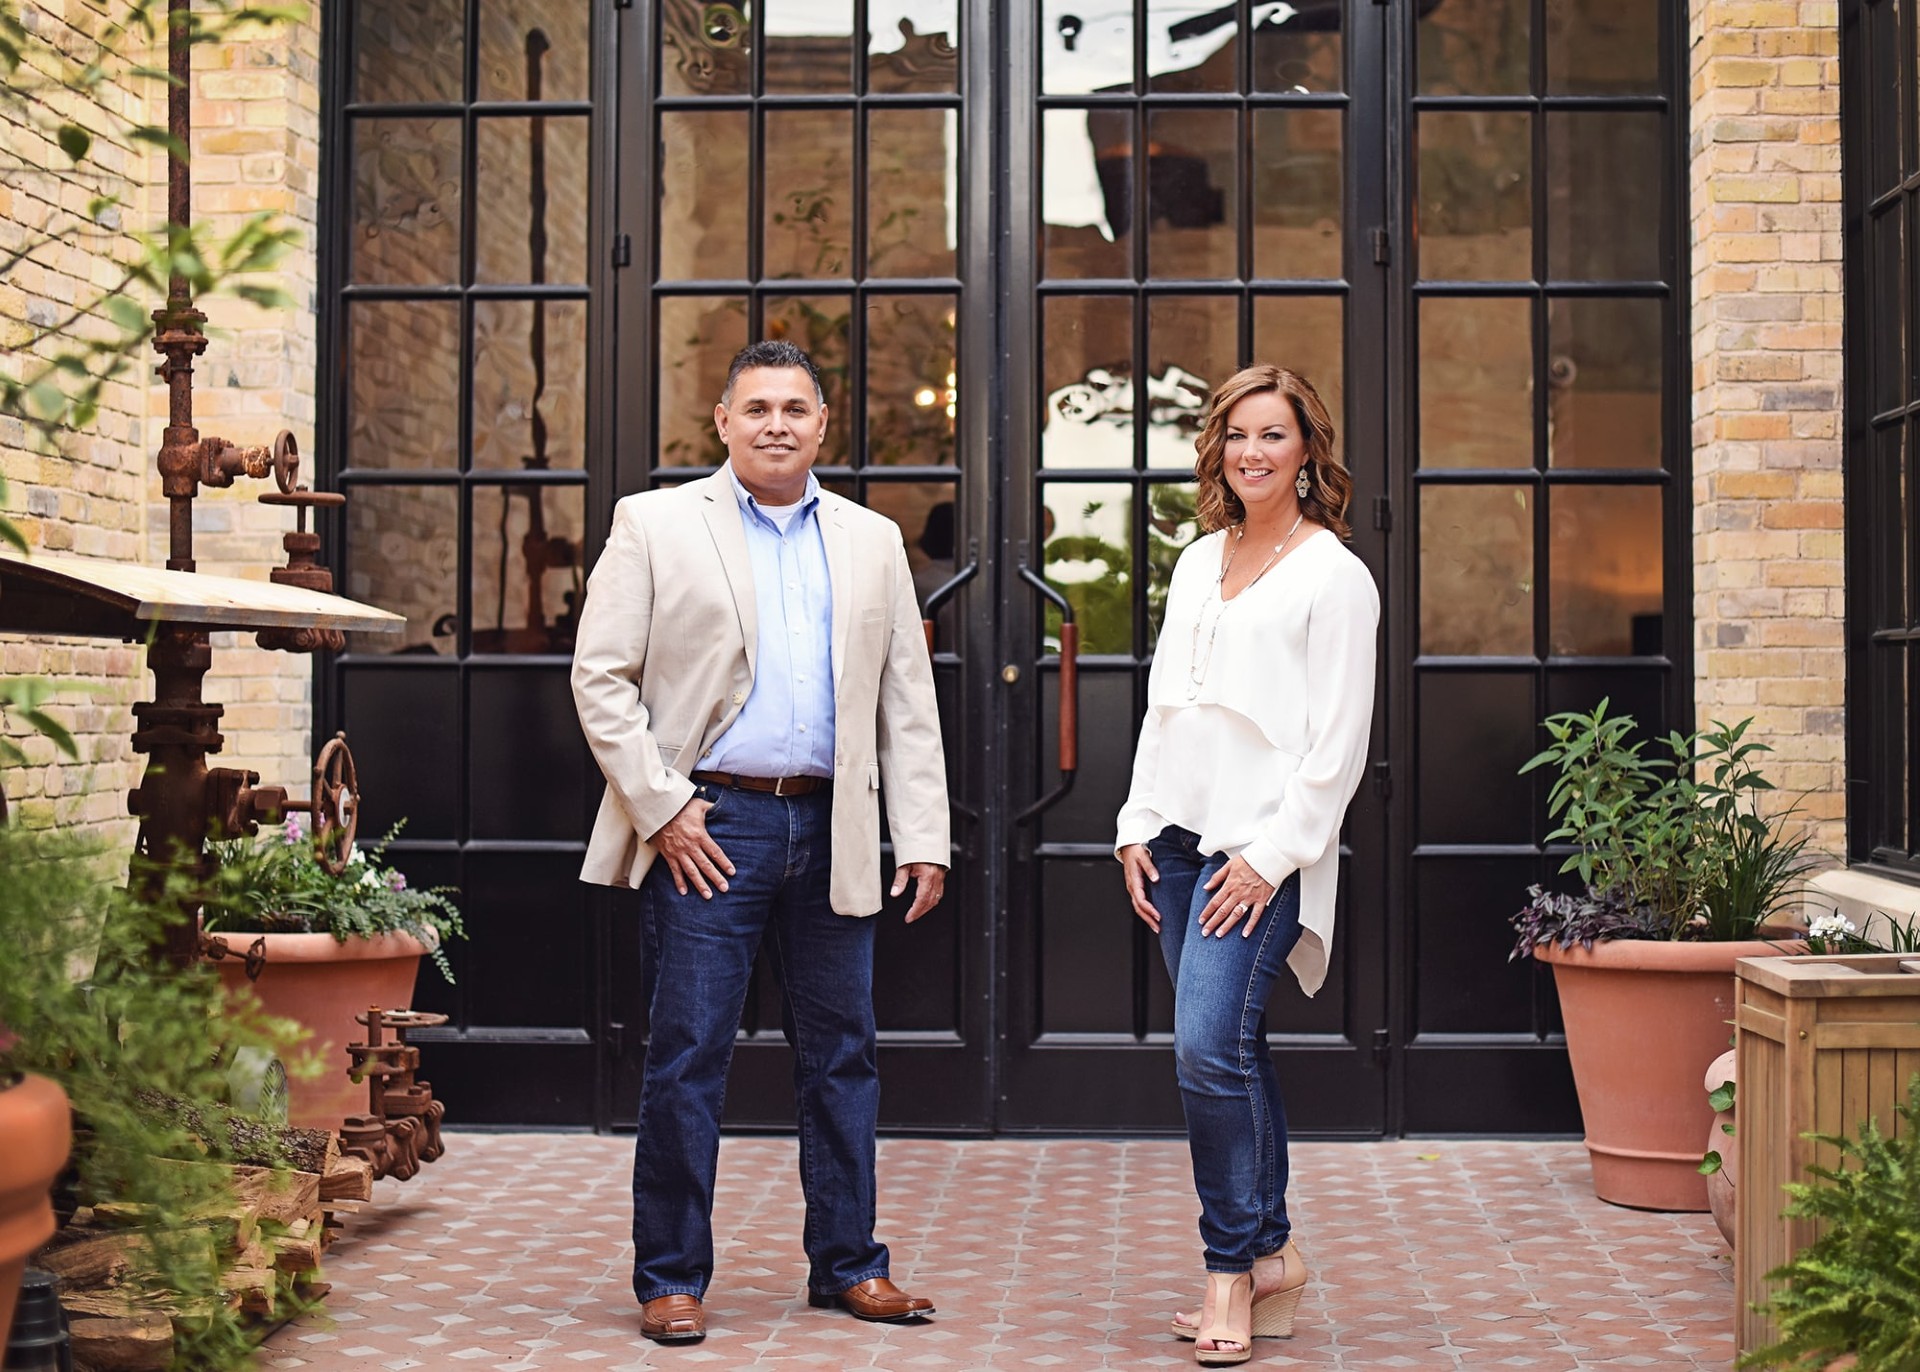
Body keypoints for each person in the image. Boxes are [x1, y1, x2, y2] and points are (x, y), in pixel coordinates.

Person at [571, 339, 951, 1345]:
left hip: (834, 826)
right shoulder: (654, 523)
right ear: (724, 423)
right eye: (757, 408)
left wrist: (923, 836)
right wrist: (663, 806)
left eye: (794, 409)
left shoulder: (872, 539)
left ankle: (851, 1264)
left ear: (822, 425)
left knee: (843, 1055)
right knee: (688, 1053)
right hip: (711, 828)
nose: (776, 424)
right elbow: (600, 678)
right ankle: (670, 1277)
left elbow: (907, 699)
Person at [1115, 365, 1378, 1366]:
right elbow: (1166, 706)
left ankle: (1229, 1267)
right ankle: (1271, 1256)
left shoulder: (1334, 575)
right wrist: (1137, 823)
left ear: (1307, 450)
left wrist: (1270, 859)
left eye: (1274, 434)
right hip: (1180, 844)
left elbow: (1338, 747)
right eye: (1237, 434)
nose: (1253, 452)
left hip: (1262, 853)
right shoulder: (1196, 561)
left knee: (1204, 1050)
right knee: (1229, 1048)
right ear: (1217, 449)